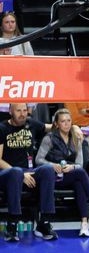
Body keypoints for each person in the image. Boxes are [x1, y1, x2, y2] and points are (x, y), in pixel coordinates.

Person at [35, 109, 89, 237]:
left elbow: (79, 164)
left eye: (68, 121)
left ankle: (84, 225)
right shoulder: (49, 138)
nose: (67, 124)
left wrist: (71, 167)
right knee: (80, 175)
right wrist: (53, 165)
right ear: (56, 124)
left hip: (68, 175)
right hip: (52, 177)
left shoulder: (76, 138)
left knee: (79, 179)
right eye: (63, 121)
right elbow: (38, 160)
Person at [0, 103, 58, 241]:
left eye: (25, 110)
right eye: (18, 111)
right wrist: (21, 175)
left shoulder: (31, 124)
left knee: (47, 169)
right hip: (7, 174)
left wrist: (73, 127)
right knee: (16, 172)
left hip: (28, 172)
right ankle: (12, 223)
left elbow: (52, 127)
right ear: (10, 112)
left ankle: (43, 223)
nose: (22, 114)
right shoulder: (2, 128)